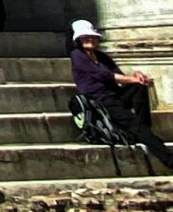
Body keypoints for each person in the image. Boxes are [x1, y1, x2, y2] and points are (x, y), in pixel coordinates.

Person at [69, 18, 165, 160]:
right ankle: (167, 158)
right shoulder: (77, 55)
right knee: (134, 124)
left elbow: (117, 74)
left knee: (139, 87)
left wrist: (136, 76)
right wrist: (130, 79)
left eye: (93, 37)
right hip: (101, 100)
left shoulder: (101, 56)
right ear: (78, 39)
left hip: (115, 95)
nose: (90, 39)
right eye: (85, 37)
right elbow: (104, 75)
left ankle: (144, 130)